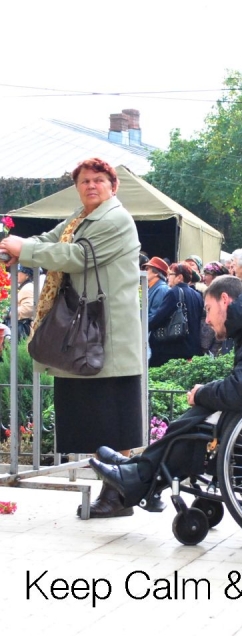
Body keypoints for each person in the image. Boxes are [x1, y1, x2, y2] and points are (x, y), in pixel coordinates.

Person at [88, 275, 242, 507]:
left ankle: (138, 474)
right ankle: (138, 470)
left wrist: (201, 393)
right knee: (200, 413)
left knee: (198, 420)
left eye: (208, 309)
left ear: (224, 300)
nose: (207, 320)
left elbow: (241, 390)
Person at [0, 157, 143, 519]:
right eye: (84, 181)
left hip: (106, 334)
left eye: (98, 180)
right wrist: (16, 244)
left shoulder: (115, 218)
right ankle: (116, 493)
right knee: (99, 419)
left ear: (113, 186)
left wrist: (22, 249)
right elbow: (51, 239)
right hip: (90, 330)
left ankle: (119, 496)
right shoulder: (81, 218)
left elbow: (75, 257)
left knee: (114, 421)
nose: (91, 186)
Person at [148, 262, 204, 367]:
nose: (167, 277)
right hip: (192, 347)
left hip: (173, 348)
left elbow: (159, 317)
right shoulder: (197, 295)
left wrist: (144, 326)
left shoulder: (174, 292)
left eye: (170, 274)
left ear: (179, 277)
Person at [199, 261, 233, 356]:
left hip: (215, 340)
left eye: (207, 274)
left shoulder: (218, 294)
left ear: (215, 276)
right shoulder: (211, 292)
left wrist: (205, 345)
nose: (204, 277)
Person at [141, 256, 170, 323]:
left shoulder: (162, 289)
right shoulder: (148, 287)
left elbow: (154, 316)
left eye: (147, 269)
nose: (144, 272)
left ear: (156, 273)